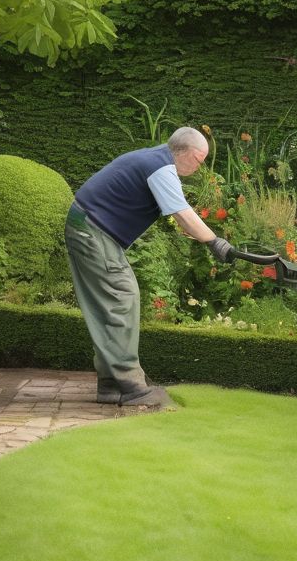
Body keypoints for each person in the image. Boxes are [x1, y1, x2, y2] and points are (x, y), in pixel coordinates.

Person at [65, 126, 234, 409]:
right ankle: (131, 386)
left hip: (89, 227)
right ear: (183, 152)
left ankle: (110, 385)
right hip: (92, 230)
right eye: (199, 159)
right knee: (121, 296)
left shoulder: (156, 161)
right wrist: (214, 241)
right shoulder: (161, 168)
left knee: (115, 301)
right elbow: (182, 213)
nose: (200, 167)